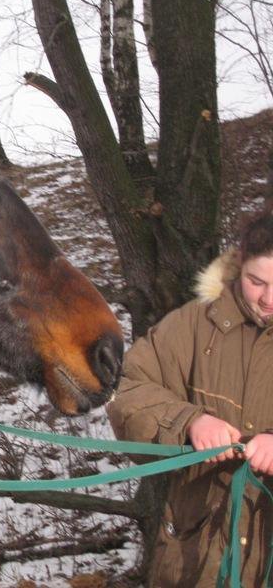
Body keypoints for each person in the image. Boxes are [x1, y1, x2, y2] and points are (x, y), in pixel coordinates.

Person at [107, 209, 273, 587]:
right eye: (256, 282)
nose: (268, 299)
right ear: (239, 266)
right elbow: (127, 386)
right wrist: (187, 421)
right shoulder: (193, 325)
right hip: (195, 558)